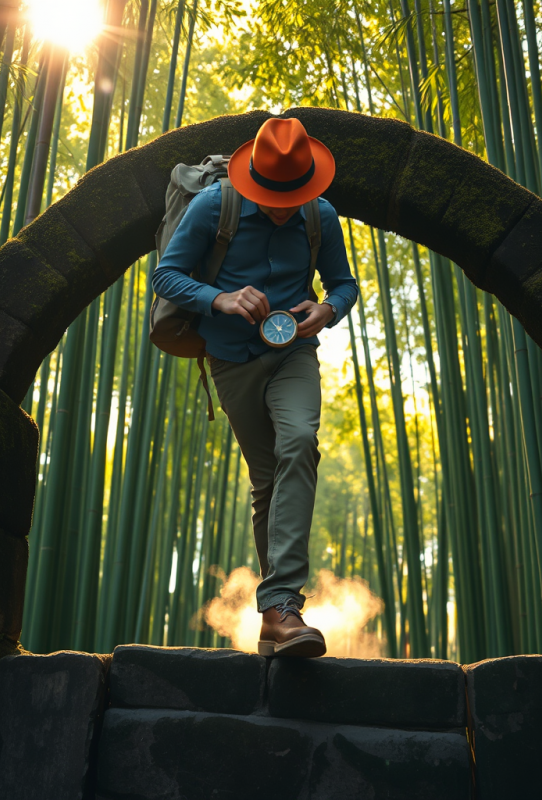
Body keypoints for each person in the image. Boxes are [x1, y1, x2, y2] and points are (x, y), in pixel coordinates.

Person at [152, 117, 358, 657]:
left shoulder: (322, 216)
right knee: (266, 476)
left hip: (293, 352)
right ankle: (276, 618)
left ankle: (283, 603)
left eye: (294, 198)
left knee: (299, 443)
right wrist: (216, 299)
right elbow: (165, 275)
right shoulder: (212, 207)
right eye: (271, 197)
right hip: (231, 357)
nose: (283, 207)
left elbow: (344, 283)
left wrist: (327, 308)